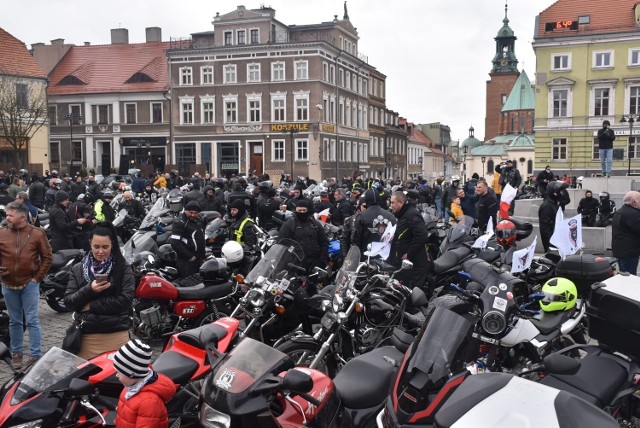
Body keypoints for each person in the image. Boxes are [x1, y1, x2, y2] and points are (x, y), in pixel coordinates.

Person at [63, 222, 135, 360]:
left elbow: (125, 301)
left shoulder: (123, 268)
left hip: (116, 334)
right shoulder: (78, 268)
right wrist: (89, 289)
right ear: (90, 243)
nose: (100, 251)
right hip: (86, 337)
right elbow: (69, 302)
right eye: (96, 247)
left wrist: (91, 306)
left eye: (105, 247)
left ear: (112, 245)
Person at [0, 202, 53, 369]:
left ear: (22, 217)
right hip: (8, 285)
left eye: (10, 215)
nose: (7, 217)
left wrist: (37, 279)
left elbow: (47, 257)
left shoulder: (37, 233)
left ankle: (35, 355)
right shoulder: (1, 233)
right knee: (14, 321)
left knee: (32, 320)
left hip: (29, 284)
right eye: (7, 214)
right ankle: (16, 354)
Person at [113, 339, 176, 428]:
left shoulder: (149, 402)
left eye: (119, 372)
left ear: (132, 374)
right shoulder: (131, 387)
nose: (116, 375)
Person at [388, 191, 429, 289]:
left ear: (401, 202)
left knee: (413, 289)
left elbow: (422, 235)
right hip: (405, 262)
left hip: (414, 262)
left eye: (393, 203)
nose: (391, 205)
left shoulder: (411, 214)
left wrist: (409, 253)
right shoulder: (402, 214)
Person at [277, 199, 328, 272]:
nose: (302, 212)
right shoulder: (289, 225)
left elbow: (324, 242)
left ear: (308, 210)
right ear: (295, 210)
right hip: (294, 263)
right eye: (299, 210)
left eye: (304, 210)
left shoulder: (315, 224)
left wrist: (322, 259)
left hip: (313, 262)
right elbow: (281, 242)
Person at [350, 189, 396, 257]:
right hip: (385, 258)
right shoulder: (390, 216)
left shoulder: (361, 216)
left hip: (366, 257)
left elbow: (355, 240)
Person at [170, 201, 206, 277]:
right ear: (185, 211)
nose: (193, 215)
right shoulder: (179, 222)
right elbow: (175, 243)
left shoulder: (199, 220)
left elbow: (201, 237)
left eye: (195, 213)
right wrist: (189, 257)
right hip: (187, 261)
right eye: (190, 212)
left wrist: (202, 257)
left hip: (199, 259)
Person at [612, 191, 640, 274]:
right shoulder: (633, 214)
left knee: (624, 274)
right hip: (629, 252)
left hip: (621, 250)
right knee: (629, 276)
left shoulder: (621, 211)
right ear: (634, 202)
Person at [538, 181, 568, 253]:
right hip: (552, 243)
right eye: (560, 191)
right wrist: (552, 243)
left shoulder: (554, 203)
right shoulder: (547, 206)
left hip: (557, 240)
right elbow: (545, 228)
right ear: (554, 192)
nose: (562, 193)